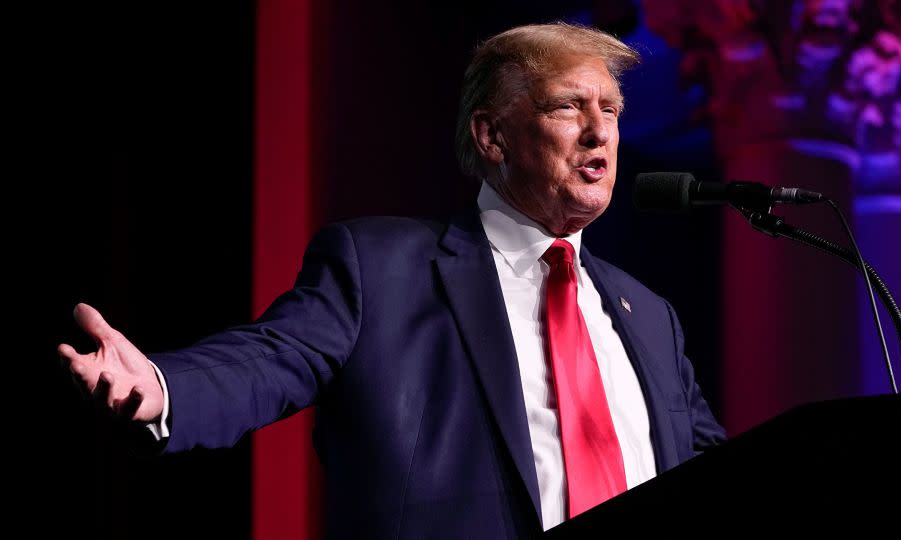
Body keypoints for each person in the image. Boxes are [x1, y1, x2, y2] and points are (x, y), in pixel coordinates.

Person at [58, 22, 726, 538]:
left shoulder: (650, 317)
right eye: (568, 108)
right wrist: (163, 385)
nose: (598, 134)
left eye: (610, 110)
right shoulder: (380, 269)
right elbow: (269, 358)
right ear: (493, 137)